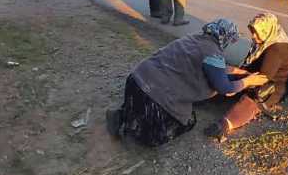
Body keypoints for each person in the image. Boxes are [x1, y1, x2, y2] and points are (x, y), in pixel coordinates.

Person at [106, 19, 268, 147]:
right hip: (153, 96)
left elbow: (209, 65)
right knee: (185, 122)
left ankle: (121, 114)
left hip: (135, 81)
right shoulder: (213, 53)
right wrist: (248, 81)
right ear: (226, 38)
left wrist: (237, 72)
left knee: (140, 104)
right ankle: (133, 127)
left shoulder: (192, 39)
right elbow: (225, 87)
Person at [205, 13, 288, 142]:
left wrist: (240, 85)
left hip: (279, 82)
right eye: (252, 32)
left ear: (267, 30)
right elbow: (249, 66)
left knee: (255, 96)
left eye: (256, 32)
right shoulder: (265, 39)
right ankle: (204, 96)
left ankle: (226, 123)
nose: (253, 36)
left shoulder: (276, 49)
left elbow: (262, 78)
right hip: (261, 73)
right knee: (228, 77)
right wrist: (235, 76)